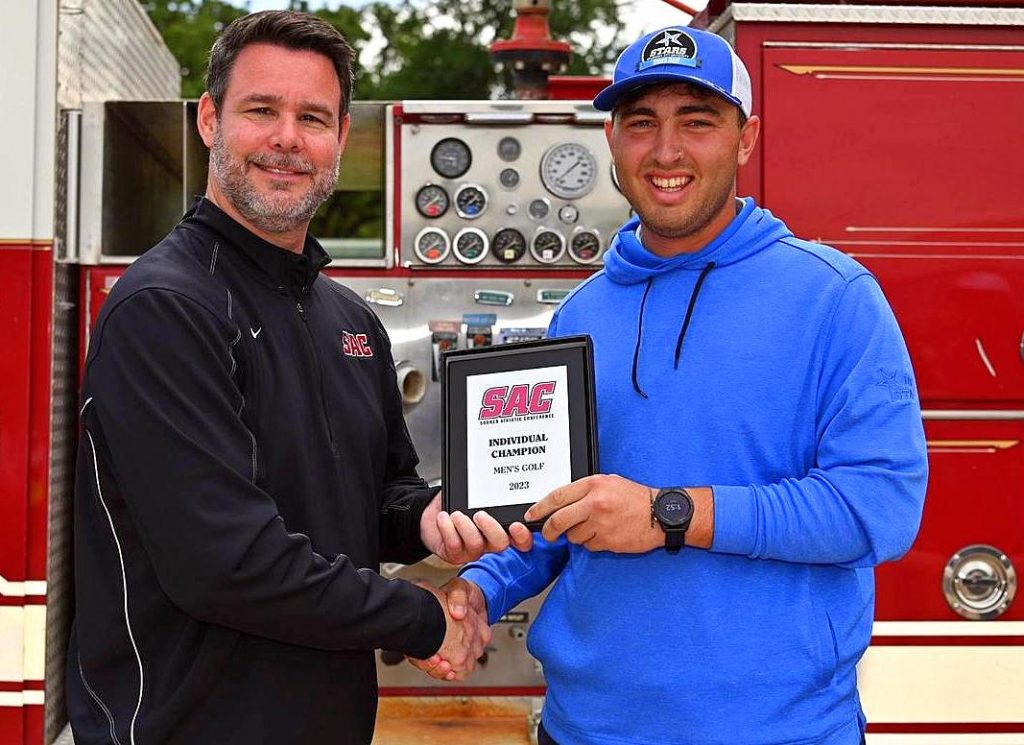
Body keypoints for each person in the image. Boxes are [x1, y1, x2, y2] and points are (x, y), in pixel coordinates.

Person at [435, 26, 928, 745]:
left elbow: (876, 508)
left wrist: (671, 513)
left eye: (697, 122)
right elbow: (548, 512)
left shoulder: (835, 298)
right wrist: (482, 586)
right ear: (612, 140)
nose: (666, 152)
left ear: (746, 139)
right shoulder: (581, 314)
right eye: (642, 123)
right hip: (586, 728)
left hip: (778, 732)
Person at [66, 11, 522, 745]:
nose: (287, 138)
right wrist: (423, 617)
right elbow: (226, 563)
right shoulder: (165, 308)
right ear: (210, 120)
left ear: (339, 137)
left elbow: (376, 495)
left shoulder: (349, 318)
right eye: (261, 110)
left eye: (312, 117)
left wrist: (429, 517)